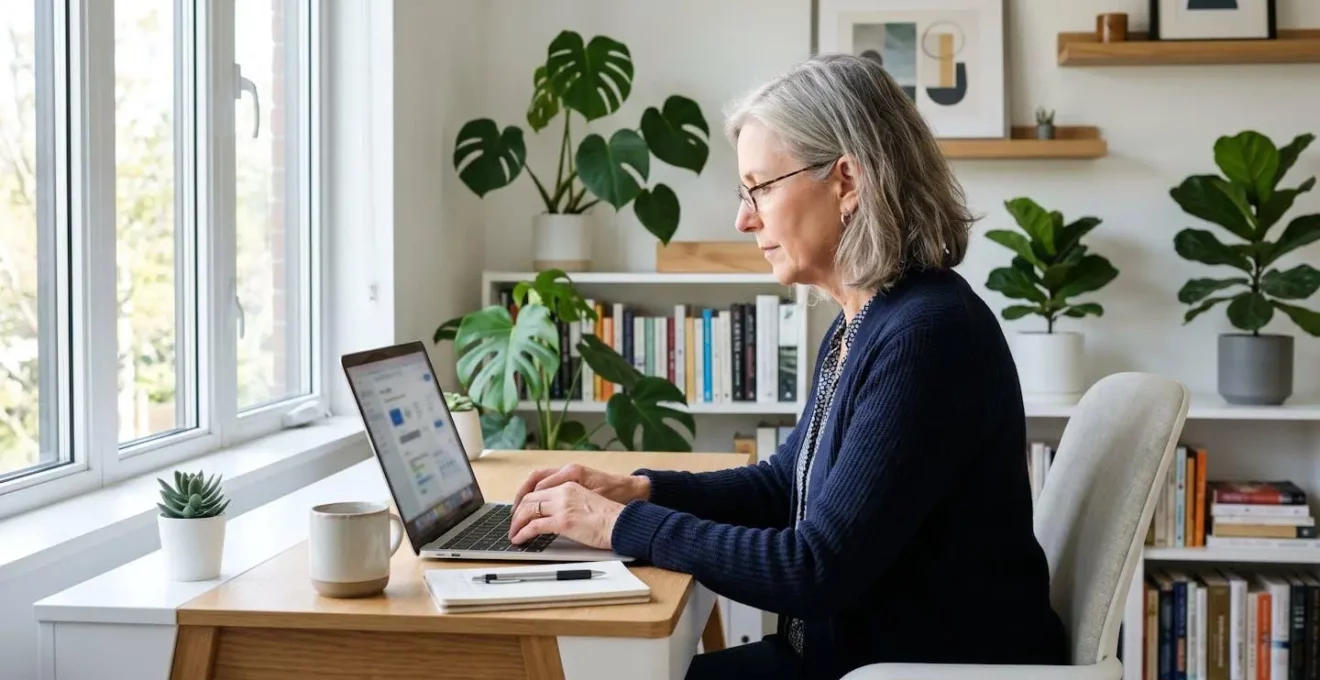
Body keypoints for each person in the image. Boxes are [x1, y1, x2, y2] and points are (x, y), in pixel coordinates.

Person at [506, 53, 1069, 680]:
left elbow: (814, 570)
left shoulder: (928, 335)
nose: (745, 218)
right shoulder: (865, 319)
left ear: (847, 182)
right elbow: (786, 485)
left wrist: (619, 524)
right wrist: (642, 489)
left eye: (762, 187)